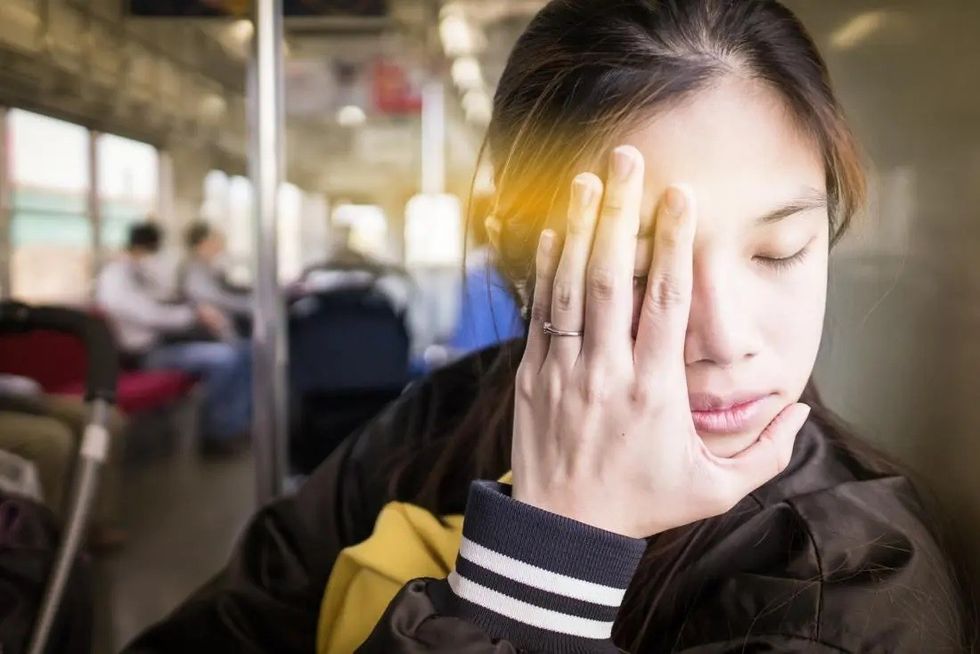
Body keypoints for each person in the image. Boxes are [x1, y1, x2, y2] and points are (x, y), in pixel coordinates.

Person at [125, 1, 971, 652]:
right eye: (639, 272)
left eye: (780, 251)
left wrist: (541, 568)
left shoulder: (850, 596)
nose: (725, 338)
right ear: (530, 267)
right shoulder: (452, 411)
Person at [96, 222, 251, 457]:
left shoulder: (136, 273)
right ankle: (216, 434)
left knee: (240, 352)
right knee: (226, 358)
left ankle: (230, 425)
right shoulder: (115, 277)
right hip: (144, 354)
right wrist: (193, 315)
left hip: (163, 343)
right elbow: (149, 314)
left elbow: (160, 300)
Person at [180, 221, 252, 324]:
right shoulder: (194, 273)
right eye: (214, 239)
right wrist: (251, 304)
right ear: (202, 244)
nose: (220, 245)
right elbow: (220, 300)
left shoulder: (205, 267)